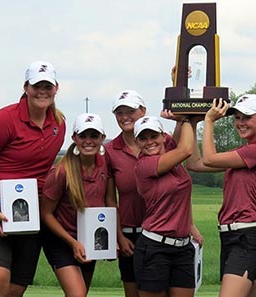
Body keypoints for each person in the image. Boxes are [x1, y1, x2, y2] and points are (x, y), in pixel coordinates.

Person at [0, 60, 66, 297]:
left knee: (16, 287)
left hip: (29, 215)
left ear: (56, 88)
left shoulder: (59, 125)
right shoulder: (3, 120)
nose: (42, 91)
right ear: (26, 87)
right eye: (36, 85)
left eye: (47, 86)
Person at [186, 95, 256, 297]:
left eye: (247, 117)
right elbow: (194, 164)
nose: (240, 123)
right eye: (237, 117)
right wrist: (191, 123)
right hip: (230, 237)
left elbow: (209, 158)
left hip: (246, 237)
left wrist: (208, 121)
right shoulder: (244, 153)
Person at [40, 113, 116, 297]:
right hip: (61, 241)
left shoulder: (105, 165)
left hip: (90, 240)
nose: (88, 141)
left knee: (82, 293)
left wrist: (111, 241)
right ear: (74, 138)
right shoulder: (61, 172)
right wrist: (73, 242)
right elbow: (46, 214)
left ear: (102, 138)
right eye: (83, 136)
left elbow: (109, 203)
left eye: (94, 135)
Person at [133, 115, 196, 297]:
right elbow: (185, 150)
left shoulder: (169, 154)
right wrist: (185, 118)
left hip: (183, 248)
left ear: (163, 136)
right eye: (143, 138)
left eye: (154, 136)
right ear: (137, 142)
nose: (149, 142)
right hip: (154, 247)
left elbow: (177, 143)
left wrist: (182, 119)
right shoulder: (144, 165)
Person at [104, 90, 148, 297]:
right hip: (130, 234)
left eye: (130, 111)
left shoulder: (161, 140)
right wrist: (119, 236)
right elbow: (110, 199)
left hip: (160, 232)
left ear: (143, 111)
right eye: (119, 113)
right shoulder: (110, 150)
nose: (124, 117)